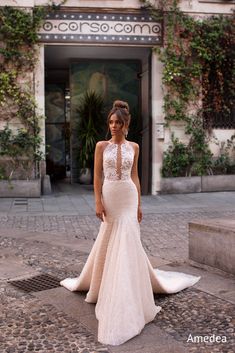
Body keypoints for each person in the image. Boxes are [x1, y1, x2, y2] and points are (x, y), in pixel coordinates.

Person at [60, 100, 200, 346]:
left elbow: (134, 175)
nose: (113, 126)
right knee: (108, 238)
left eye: (118, 123)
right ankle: (101, 283)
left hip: (128, 196)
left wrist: (138, 204)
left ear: (126, 125)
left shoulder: (134, 147)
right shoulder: (101, 146)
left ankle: (125, 294)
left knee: (126, 241)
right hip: (109, 196)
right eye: (111, 122)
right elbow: (97, 176)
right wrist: (97, 201)